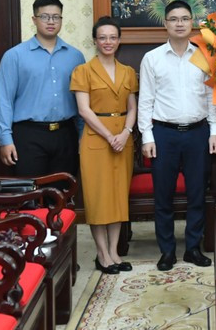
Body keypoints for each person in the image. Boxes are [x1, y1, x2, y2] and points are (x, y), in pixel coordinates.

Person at [138, 0, 216, 271]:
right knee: (164, 195)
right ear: (166, 23)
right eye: (174, 19)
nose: (179, 23)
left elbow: (211, 97)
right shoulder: (152, 58)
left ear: (191, 22)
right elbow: (145, 101)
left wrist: (215, 130)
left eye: (185, 19)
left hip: (198, 134)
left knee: (197, 193)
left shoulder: (203, 56)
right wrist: (147, 137)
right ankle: (167, 251)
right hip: (164, 135)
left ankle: (193, 248)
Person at [71, 16, 138, 275]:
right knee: (98, 198)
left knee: (118, 197)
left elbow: (132, 107)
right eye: (103, 37)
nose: (108, 42)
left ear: (119, 41)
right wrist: (109, 136)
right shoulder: (83, 71)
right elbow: (84, 111)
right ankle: (101, 254)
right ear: (95, 41)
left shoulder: (128, 72)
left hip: (123, 138)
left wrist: (125, 133)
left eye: (112, 37)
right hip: (95, 139)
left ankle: (114, 252)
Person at [0, 0, 85, 178]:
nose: (51, 22)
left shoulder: (75, 57)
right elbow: (4, 100)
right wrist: (5, 139)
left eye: (56, 17)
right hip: (28, 135)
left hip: (65, 134)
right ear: (34, 20)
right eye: (44, 17)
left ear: (61, 19)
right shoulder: (15, 56)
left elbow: (81, 101)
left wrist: (83, 136)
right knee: (30, 197)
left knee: (62, 195)